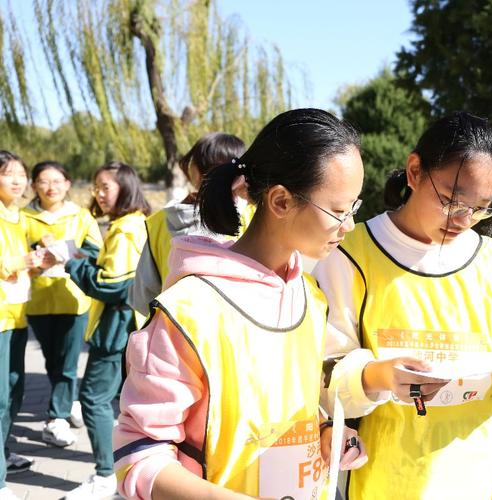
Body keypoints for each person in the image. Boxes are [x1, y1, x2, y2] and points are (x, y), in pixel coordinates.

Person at [114, 108, 367, 500]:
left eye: (354, 207)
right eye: (337, 210)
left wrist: (323, 430)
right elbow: (139, 456)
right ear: (280, 201)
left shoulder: (310, 298)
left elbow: (284, 404)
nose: (349, 225)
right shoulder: (190, 311)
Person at [313, 111, 492, 499]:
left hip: (477, 467)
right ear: (414, 171)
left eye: (481, 209)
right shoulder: (351, 254)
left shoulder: (491, 260)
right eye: (451, 201)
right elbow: (323, 375)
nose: (464, 220)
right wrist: (380, 374)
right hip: (388, 471)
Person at [54, 161, 151, 499]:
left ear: (125, 187)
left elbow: (112, 285)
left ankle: (106, 475)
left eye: (105, 186)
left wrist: (72, 264)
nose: (99, 193)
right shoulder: (137, 222)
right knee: (124, 401)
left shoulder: (125, 228)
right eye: (96, 187)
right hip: (132, 325)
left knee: (93, 398)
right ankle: (128, 467)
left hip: (115, 327)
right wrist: (89, 260)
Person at [23, 161, 103, 448]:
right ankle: (67, 401)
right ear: (34, 186)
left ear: (68, 184)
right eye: (44, 181)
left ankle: (55, 419)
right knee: (52, 360)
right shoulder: (24, 217)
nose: (51, 187)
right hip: (37, 301)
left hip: (74, 299)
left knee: (68, 362)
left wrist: (66, 252)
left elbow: (96, 253)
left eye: (57, 181)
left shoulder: (81, 217)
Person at [128, 132, 249, 317]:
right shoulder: (254, 219)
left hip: (175, 332)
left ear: (194, 171)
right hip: (235, 335)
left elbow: (142, 297)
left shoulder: (159, 223)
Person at [0, 151, 43, 500]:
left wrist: (39, 262)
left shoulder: (18, 217)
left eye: (20, 174)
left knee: (14, 390)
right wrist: (21, 260)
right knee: (0, 396)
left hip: (17, 312)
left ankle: (4, 451)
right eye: (8, 174)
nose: (17, 180)